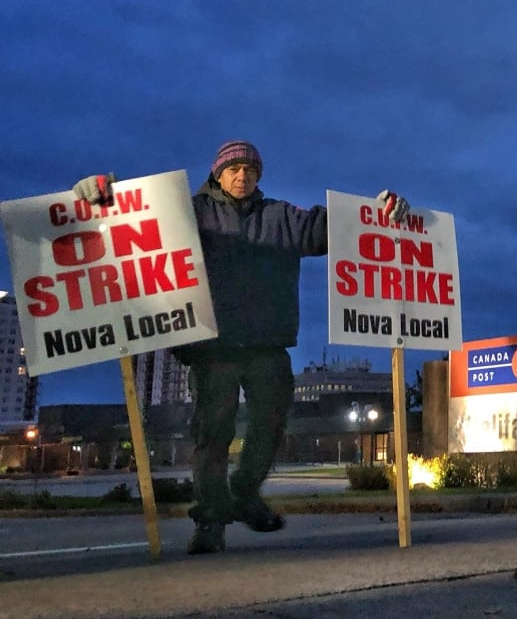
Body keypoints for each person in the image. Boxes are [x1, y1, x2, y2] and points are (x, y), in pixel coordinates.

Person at [74, 140, 409, 554]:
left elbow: (329, 228)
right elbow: (137, 216)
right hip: (213, 348)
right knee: (212, 436)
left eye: (250, 169)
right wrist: (105, 191)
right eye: (233, 169)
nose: (242, 175)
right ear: (217, 173)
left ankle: (245, 491)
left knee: (271, 424)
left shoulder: (279, 217)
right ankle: (211, 523)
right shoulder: (192, 213)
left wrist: (377, 211)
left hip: (267, 344)